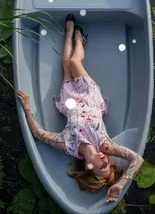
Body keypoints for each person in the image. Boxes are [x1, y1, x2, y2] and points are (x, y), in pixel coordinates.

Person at [17, 14, 144, 203]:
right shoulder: (105, 145)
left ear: (88, 167)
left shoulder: (68, 144)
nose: (104, 160)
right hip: (90, 95)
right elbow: (137, 160)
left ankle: (69, 34)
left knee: (66, 64)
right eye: (107, 164)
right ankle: (79, 39)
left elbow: (39, 134)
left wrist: (27, 107)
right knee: (75, 63)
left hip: (70, 100)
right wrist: (119, 184)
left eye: (101, 167)